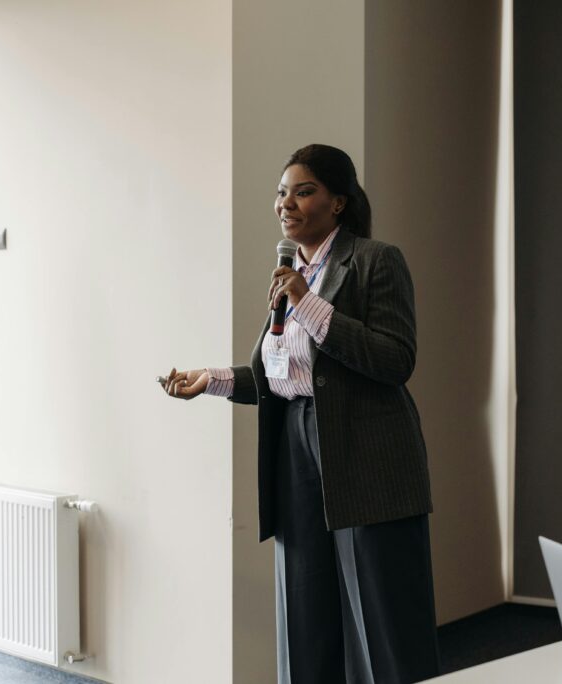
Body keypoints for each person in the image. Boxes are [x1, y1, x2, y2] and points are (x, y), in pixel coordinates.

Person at [161, 144, 440, 683]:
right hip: (294, 444)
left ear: (338, 202)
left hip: (366, 453)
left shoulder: (375, 260)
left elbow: (396, 359)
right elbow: (283, 373)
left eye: (303, 191)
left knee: (381, 618)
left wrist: (307, 303)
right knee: (305, 609)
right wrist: (211, 380)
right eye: (282, 192)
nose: (286, 203)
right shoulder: (290, 271)